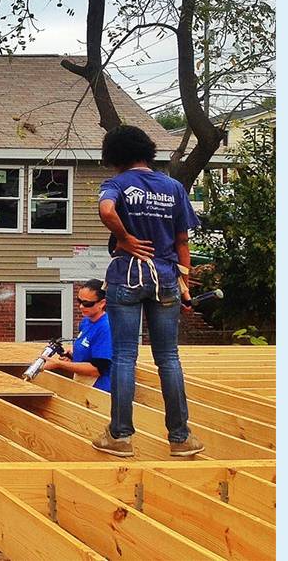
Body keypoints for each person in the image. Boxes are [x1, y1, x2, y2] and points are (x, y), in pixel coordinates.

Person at [92, 125, 204, 458]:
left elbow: (106, 210)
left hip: (127, 274)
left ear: (115, 156)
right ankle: (181, 438)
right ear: (147, 151)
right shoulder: (173, 187)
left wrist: (124, 239)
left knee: (125, 356)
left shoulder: (116, 184)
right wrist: (184, 282)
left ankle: (120, 436)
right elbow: (183, 241)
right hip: (167, 277)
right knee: (168, 357)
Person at [39, 279, 112, 392]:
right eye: (79, 301)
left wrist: (60, 364)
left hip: (99, 389)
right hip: (82, 384)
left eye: (87, 303)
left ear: (102, 303)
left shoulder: (106, 328)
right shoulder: (86, 322)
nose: (81, 306)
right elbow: (88, 354)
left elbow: (97, 369)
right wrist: (73, 357)